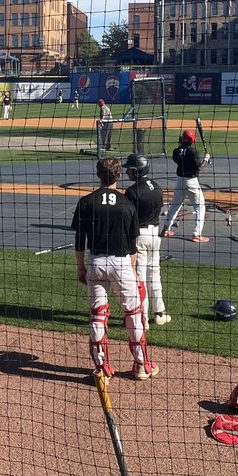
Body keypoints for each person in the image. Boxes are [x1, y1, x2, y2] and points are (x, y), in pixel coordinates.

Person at [71, 156, 156, 381]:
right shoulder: (128, 204)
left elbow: (80, 241)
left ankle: (102, 370)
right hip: (122, 264)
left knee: (98, 316)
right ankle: (141, 366)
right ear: (118, 176)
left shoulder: (86, 202)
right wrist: (133, 273)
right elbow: (133, 246)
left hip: (96, 264)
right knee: (134, 315)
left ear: (99, 175)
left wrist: (81, 268)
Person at [124, 154, 168, 326]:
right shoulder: (157, 187)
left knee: (140, 277)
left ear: (136, 171)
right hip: (155, 235)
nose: (127, 172)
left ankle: (142, 316)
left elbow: (128, 217)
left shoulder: (132, 191)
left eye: (129, 169)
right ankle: (160, 312)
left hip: (139, 236)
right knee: (154, 273)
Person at [161, 129, 209, 242]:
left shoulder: (176, 151)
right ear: (193, 140)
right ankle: (197, 234)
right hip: (191, 182)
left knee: (175, 205)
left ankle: (165, 229)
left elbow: (179, 157)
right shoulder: (194, 152)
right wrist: (206, 159)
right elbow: (198, 168)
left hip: (179, 181)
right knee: (200, 207)